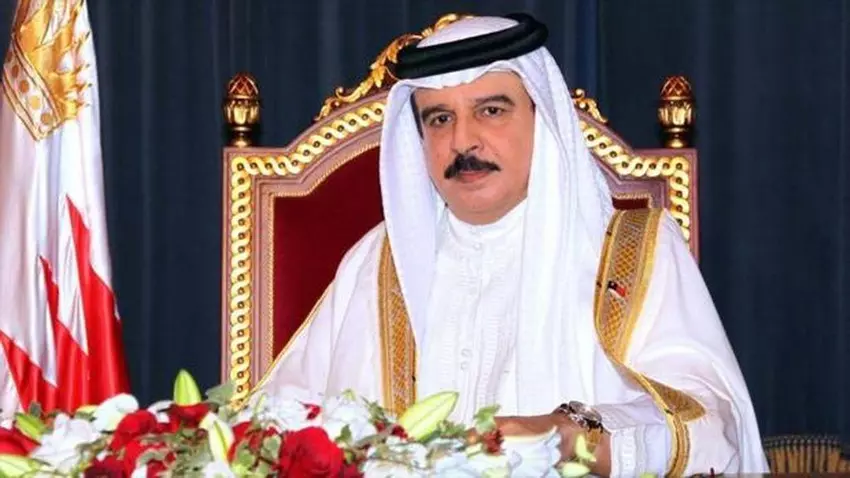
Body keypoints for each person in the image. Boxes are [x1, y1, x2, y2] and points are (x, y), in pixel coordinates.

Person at [256, 13, 768, 476]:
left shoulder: (633, 252)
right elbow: (273, 429)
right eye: (439, 119)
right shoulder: (376, 262)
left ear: (544, 119)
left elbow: (711, 427)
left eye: (491, 110)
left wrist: (571, 436)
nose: (462, 141)